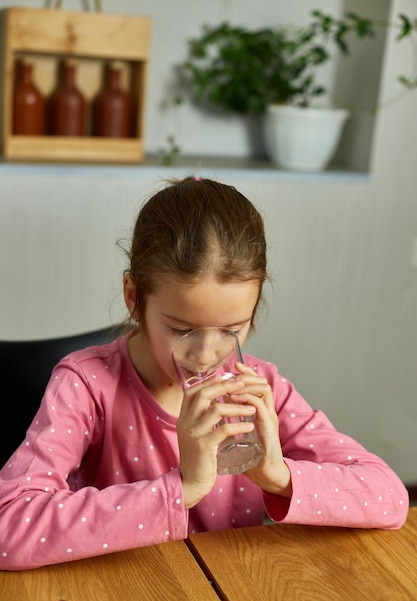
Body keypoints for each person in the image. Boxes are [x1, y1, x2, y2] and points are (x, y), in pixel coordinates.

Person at [0, 176, 408, 571]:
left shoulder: (261, 390)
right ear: (133, 297)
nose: (207, 355)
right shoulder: (86, 386)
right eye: (181, 330)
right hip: (122, 596)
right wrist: (181, 489)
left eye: (231, 330)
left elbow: (390, 497)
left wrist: (278, 475)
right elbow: (9, 525)